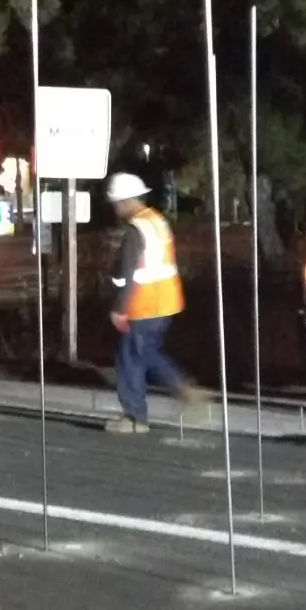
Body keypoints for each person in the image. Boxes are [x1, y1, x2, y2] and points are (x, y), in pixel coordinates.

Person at [104, 173, 203, 433]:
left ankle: (137, 416)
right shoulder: (157, 221)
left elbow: (129, 272)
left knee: (131, 357)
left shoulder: (135, 229)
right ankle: (172, 393)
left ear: (123, 201)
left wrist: (119, 308)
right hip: (167, 300)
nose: (115, 208)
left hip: (143, 303)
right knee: (144, 352)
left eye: (115, 203)